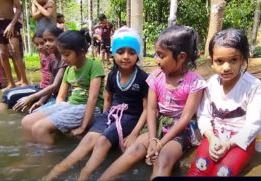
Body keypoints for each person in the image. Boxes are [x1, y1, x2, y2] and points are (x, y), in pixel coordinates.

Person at [99, 25, 206, 180]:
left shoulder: (195, 83)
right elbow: (151, 109)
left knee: (163, 160)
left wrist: (160, 144)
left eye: (161, 56)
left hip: (179, 130)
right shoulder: (155, 77)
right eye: (156, 54)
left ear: (181, 57)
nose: (156, 60)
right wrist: (151, 140)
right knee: (134, 150)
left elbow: (185, 118)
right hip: (156, 124)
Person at [44, 27, 148, 180]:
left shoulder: (143, 78)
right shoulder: (113, 75)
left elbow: (147, 109)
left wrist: (134, 133)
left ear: (137, 55)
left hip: (130, 116)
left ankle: (84, 174)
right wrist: (104, 120)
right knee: (88, 139)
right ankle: (59, 168)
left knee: (102, 141)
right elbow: (107, 99)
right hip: (111, 114)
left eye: (131, 53)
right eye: (120, 52)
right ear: (113, 53)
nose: (126, 57)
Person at [187, 29, 261, 176]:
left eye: (233, 60)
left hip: (240, 141)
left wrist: (229, 144)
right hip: (214, 137)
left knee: (222, 173)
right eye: (220, 61)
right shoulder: (210, 84)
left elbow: (253, 123)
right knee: (198, 170)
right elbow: (203, 115)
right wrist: (211, 137)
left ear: (243, 59)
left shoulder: (253, 85)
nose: (226, 67)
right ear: (212, 62)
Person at [21, 30, 105, 145]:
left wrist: (83, 127)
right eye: (61, 54)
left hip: (90, 108)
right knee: (26, 121)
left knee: (39, 128)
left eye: (67, 54)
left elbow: (93, 98)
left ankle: (46, 160)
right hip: (70, 105)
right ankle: (31, 154)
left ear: (81, 52)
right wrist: (57, 113)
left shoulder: (94, 66)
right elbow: (60, 97)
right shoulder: (69, 69)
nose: (63, 58)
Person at [0, 26, 66, 112]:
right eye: (45, 41)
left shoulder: (64, 60)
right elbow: (51, 84)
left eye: (50, 40)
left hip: (58, 96)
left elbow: (54, 85)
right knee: (9, 94)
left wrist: (32, 97)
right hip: (50, 92)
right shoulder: (53, 60)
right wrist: (41, 101)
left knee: (10, 95)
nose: (46, 44)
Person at [0, 0, 28, 90]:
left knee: (15, 51)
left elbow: (18, 8)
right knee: (2, 54)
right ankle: (11, 83)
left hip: (11, 21)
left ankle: (24, 81)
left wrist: (12, 24)